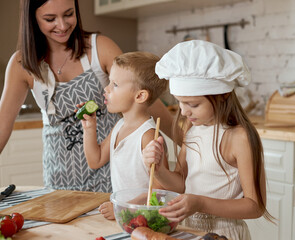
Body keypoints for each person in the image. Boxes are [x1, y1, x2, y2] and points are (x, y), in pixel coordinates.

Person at [0, 0, 173, 192]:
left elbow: (145, 98)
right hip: (59, 179)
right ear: (33, 19)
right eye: (50, 19)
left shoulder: (100, 47)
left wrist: (189, 145)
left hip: (109, 179)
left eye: (68, 14)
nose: (63, 25)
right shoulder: (21, 63)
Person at [142, 40, 273, 240]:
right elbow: (181, 184)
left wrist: (201, 203)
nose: (184, 112)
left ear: (222, 95)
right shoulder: (192, 128)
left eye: (192, 104)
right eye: (179, 102)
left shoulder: (239, 138)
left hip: (224, 233)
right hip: (188, 229)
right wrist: (159, 171)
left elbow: (255, 206)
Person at [78, 52, 169, 219]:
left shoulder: (148, 136)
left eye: (115, 85)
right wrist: (90, 128)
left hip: (143, 218)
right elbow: (95, 160)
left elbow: (158, 190)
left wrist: (123, 208)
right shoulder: (120, 126)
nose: (106, 88)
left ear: (140, 96)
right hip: (124, 218)